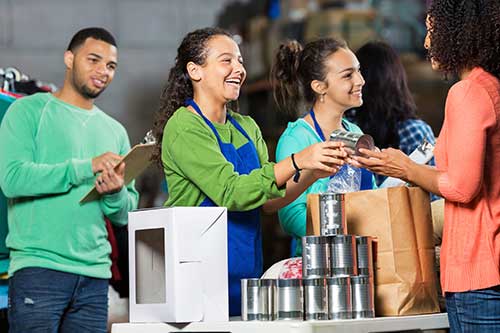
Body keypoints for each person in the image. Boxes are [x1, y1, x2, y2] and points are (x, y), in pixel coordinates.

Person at [152, 27, 346, 316]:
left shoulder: (246, 126)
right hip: (196, 280)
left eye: (240, 61)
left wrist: (314, 172)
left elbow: (267, 202)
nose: (239, 69)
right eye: (226, 60)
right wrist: (298, 160)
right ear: (195, 70)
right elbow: (232, 192)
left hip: (244, 273)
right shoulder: (185, 127)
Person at [350, 1, 500, 331]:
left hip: (479, 268)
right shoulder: (490, 87)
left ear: (459, 32)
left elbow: (462, 187)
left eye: (432, 30)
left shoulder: (468, 93)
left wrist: (405, 168)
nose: (426, 42)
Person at [0, 27, 139, 332]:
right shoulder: (27, 112)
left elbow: (125, 211)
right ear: (69, 58)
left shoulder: (115, 131)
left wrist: (114, 193)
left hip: (94, 275)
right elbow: (12, 179)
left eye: (111, 65)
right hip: (39, 270)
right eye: (93, 60)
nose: (103, 71)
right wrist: (85, 167)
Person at [272, 38, 376, 256]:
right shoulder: (297, 138)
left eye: (358, 71)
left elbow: (370, 197)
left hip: (361, 258)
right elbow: (290, 216)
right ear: (319, 87)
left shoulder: (355, 132)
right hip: (318, 263)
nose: (361, 81)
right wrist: (342, 240)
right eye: (348, 75)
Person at [349, 41, 436, 187]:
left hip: (356, 208)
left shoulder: (346, 127)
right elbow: (433, 196)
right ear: (399, 80)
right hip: (404, 209)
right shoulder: (417, 131)